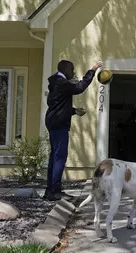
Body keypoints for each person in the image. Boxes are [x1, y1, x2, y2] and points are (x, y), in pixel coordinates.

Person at [44, 59, 103, 201]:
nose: (74, 72)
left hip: (54, 122)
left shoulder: (56, 83)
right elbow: (80, 87)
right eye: (72, 69)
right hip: (59, 124)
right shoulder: (61, 82)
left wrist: (74, 111)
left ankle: (49, 190)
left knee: (54, 157)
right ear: (65, 69)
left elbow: (57, 104)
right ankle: (55, 191)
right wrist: (93, 70)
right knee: (60, 157)